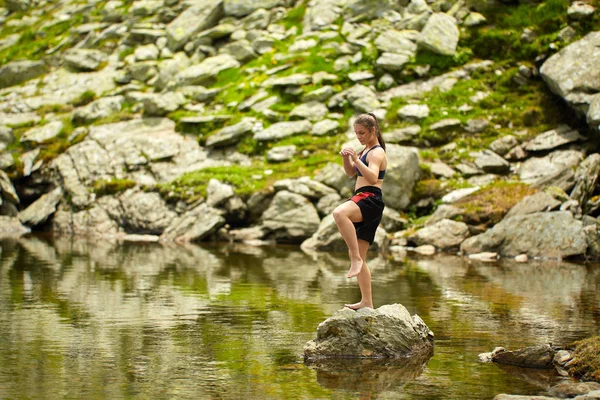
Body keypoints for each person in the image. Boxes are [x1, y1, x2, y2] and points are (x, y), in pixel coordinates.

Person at [332, 112, 387, 310]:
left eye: (362, 133)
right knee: (362, 258)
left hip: (369, 198)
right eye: (356, 133)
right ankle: (367, 302)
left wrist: (357, 159)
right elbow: (350, 173)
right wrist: (348, 159)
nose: (359, 137)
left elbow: (372, 178)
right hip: (365, 199)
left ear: (373, 130)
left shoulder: (377, 152)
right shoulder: (365, 150)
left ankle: (354, 258)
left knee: (340, 213)